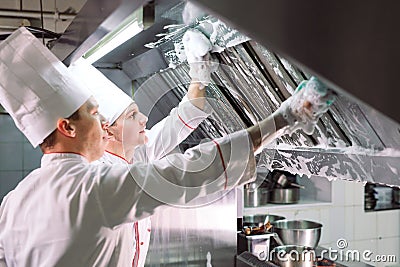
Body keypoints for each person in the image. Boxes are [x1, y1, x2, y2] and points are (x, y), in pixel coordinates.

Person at [0, 27, 335, 266]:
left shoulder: (13, 202)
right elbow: (191, 172)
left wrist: (199, 71)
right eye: (93, 113)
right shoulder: (90, 189)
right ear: (67, 127)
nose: (101, 123)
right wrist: (287, 117)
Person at [68, 29, 215, 265]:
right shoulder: (96, 174)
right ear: (107, 130)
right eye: (132, 115)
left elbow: (186, 115)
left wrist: (199, 71)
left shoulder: (140, 153)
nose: (144, 119)